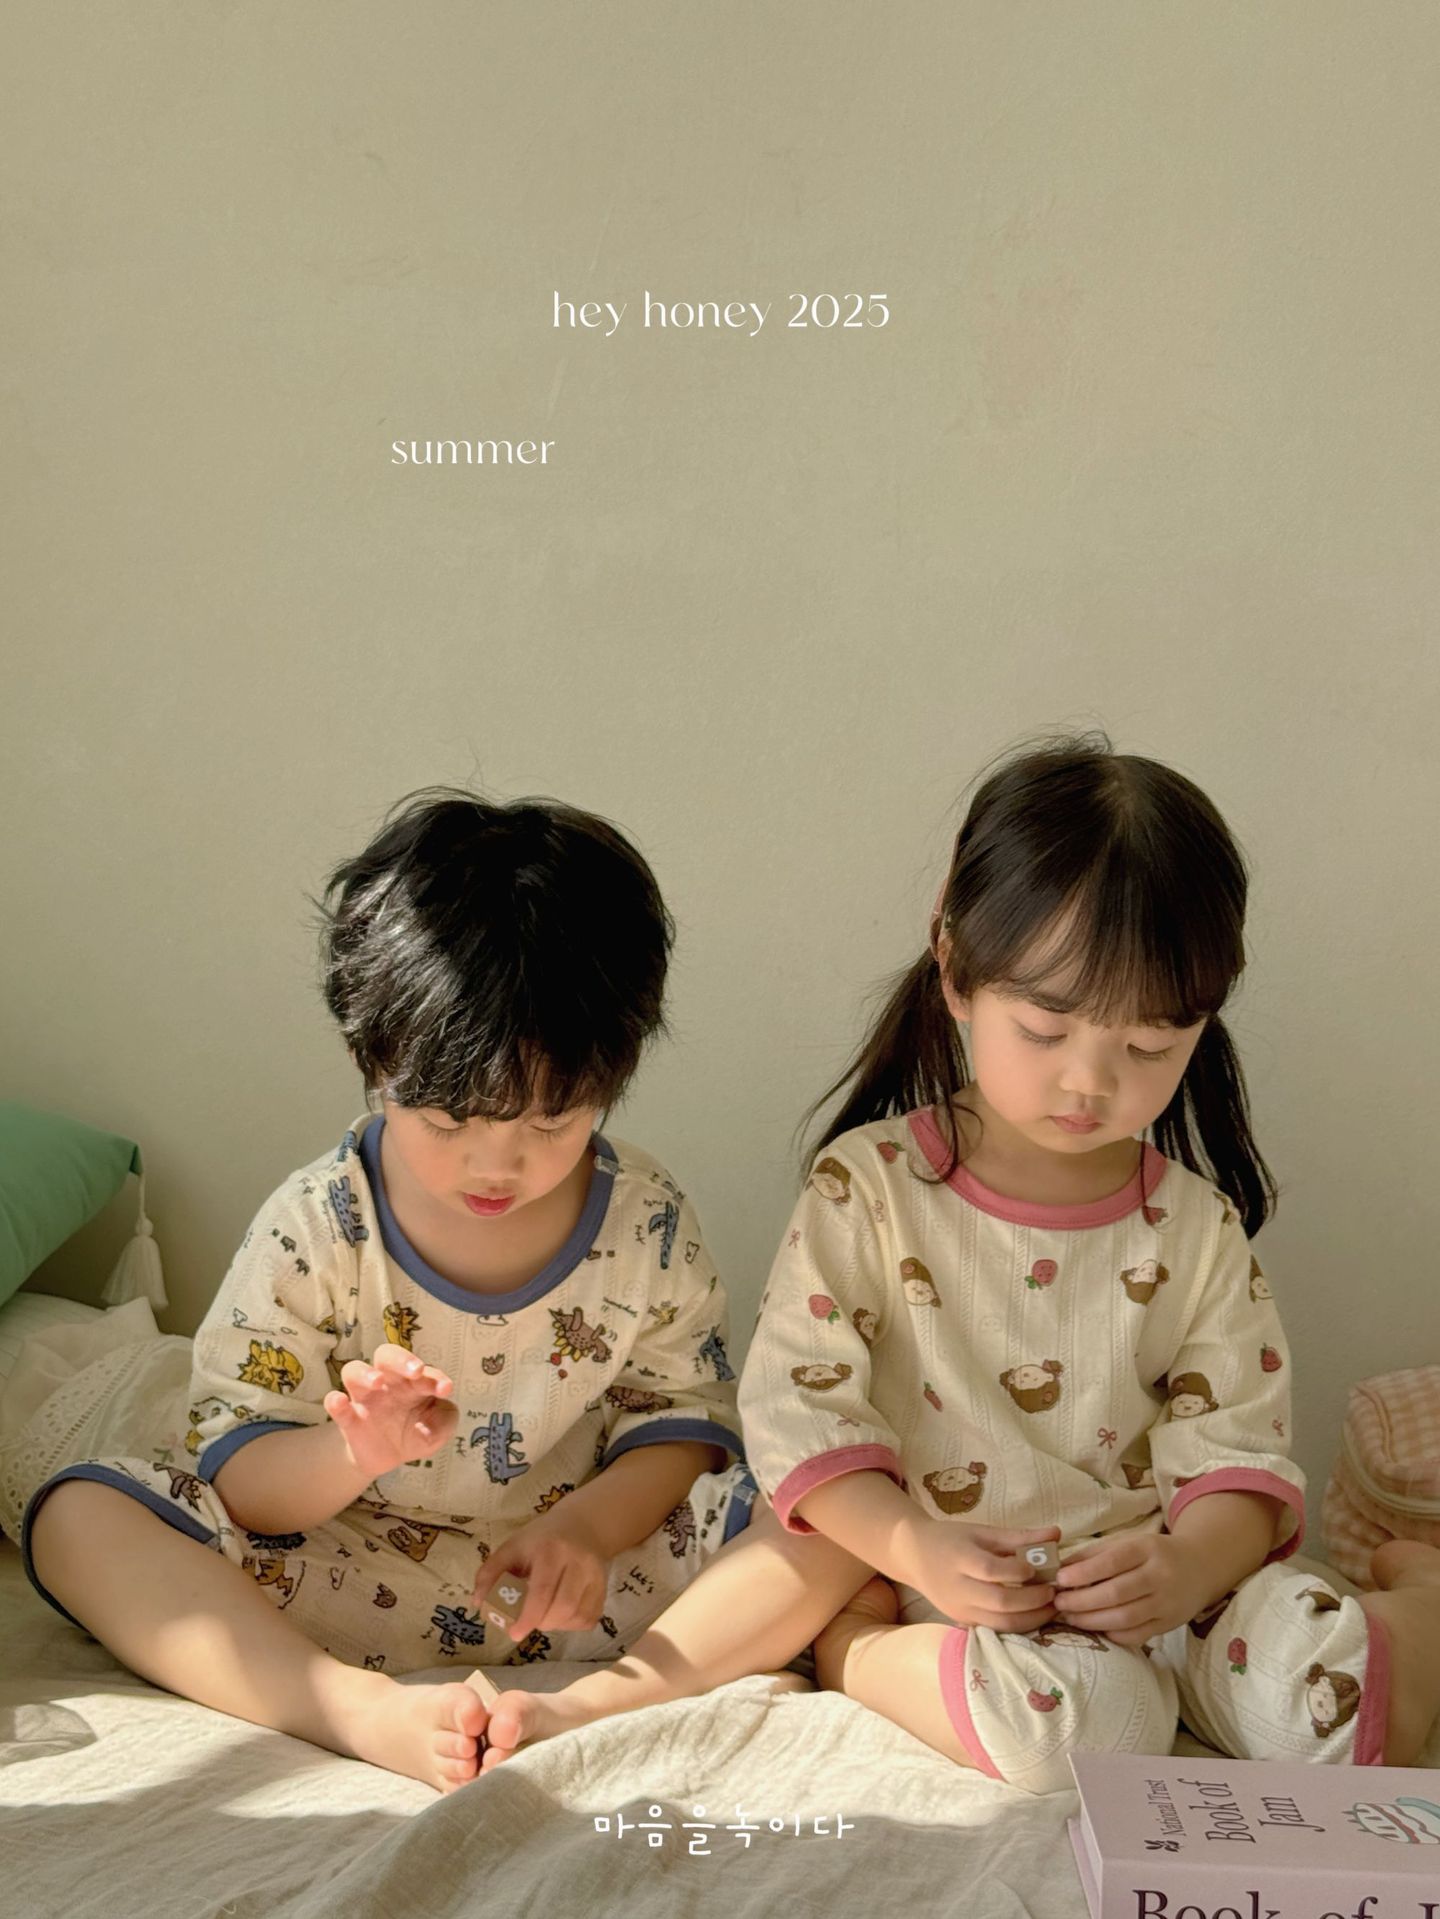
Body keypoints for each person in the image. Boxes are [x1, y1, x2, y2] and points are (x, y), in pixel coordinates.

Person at [471, 735, 1440, 1789]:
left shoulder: (1194, 1229)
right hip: (940, 1579)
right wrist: (913, 1551)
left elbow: (1237, 1453)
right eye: (1046, 1027)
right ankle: (850, 1642)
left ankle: (1423, 1595)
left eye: (1149, 1048)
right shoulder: (869, 1189)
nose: (1089, 1081)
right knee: (1076, 1736)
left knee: (1344, 1712)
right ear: (955, 965)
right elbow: (802, 1417)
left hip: (1164, 1587)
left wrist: (1189, 1563)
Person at [25, 790, 758, 1792]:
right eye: (448, 1121)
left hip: (579, 1583)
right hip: (340, 1574)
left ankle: (597, 1701)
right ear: (374, 1061)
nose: (496, 1164)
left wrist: (584, 1530)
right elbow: (240, 1475)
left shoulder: (647, 1219)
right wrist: (352, 1450)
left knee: (822, 1507)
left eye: (551, 1122)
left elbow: (682, 1425)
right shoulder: (317, 1225)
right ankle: (351, 1709)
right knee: (80, 1513)